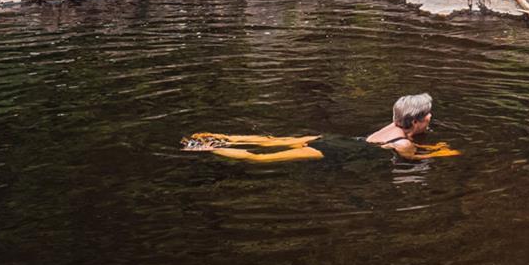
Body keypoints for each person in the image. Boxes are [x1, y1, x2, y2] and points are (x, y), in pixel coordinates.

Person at [182, 93, 459, 162]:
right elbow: (416, 157)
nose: (430, 117)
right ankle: (208, 148)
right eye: (427, 116)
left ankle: (225, 137)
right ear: (415, 122)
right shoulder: (404, 143)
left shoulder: (395, 123)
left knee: (269, 140)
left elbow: (403, 113)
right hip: (328, 151)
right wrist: (439, 152)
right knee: (259, 157)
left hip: (329, 138)